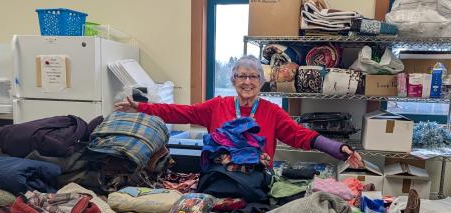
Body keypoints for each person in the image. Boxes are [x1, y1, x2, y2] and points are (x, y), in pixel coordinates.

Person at [114, 55, 363, 168]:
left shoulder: (271, 112)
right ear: (233, 80)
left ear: (261, 83)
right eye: (241, 76)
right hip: (218, 177)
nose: (247, 82)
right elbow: (181, 112)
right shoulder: (216, 106)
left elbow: (301, 135)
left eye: (253, 76)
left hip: (255, 180)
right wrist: (139, 107)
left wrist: (338, 148)